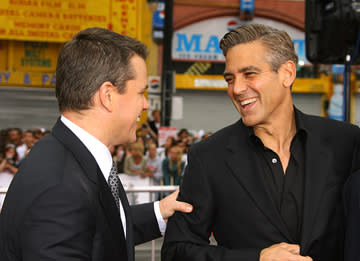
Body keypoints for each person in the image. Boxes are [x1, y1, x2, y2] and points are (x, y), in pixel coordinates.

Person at [161, 23, 360, 261]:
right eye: (230, 79)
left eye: (249, 74)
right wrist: (257, 258)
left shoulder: (345, 142)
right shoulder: (209, 157)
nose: (237, 89)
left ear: (287, 73)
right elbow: (177, 251)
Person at [0, 27, 192, 261]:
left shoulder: (65, 154)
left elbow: (100, 230)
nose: (145, 105)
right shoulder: (61, 189)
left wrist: (160, 212)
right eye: (141, 93)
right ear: (108, 95)